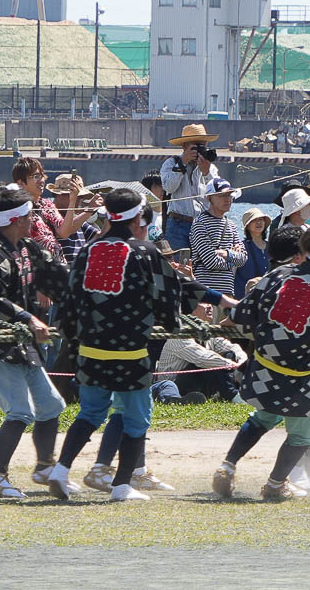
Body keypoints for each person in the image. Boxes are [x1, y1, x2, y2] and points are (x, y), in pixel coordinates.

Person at [45, 186, 181, 502]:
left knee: (90, 413)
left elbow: (70, 297)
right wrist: (170, 321)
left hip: (90, 349)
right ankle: (121, 486)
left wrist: (70, 334)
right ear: (137, 217)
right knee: (136, 419)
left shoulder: (88, 250)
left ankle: (60, 471)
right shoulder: (145, 252)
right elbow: (167, 294)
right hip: (131, 353)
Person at [212, 224, 310, 501]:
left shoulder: (278, 275)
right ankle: (276, 484)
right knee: (307, 430)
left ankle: (227, 466)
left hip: (262, 369)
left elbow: (243, 313)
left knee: (263, 417)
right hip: (298, 377)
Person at [0, 185, 70, 499]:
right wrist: (29, 318)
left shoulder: (28, 248)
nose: (34, 219)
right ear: (16, 219)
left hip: (26, 343)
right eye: (30, 215)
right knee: (20, 412)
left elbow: (56, 277)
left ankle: (45, 467)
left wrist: (83, 297)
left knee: (50, 405)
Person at [158, 124, 221, 252]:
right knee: (179, 262)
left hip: (204, 224)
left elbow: (218, 195)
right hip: (178, 224)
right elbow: (169, 188)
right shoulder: (171, 163)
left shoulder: (210, 168)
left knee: (203, 262)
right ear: (184, 147)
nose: (199, 150)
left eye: (202, 146)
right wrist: (182, 164)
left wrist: (206, 172)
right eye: (195, 146)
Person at [189, 177, 247, 299]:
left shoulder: (231, 225)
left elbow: (243, 259)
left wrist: (226, 254)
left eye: (229, 195)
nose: (228, 199)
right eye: (222, 195)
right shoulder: (200, 224)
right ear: (209, 198)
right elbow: (211, 262)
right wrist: (233, 259)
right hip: (206, 294)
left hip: (227, 294)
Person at [233, 208, 272, 297]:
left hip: (265, 297)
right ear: (248, 226)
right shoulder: (241, 247)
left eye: (261, 219)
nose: (258, 222)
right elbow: (232, 273)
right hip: (243, 297)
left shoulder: (271, 247)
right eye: (254, 220)